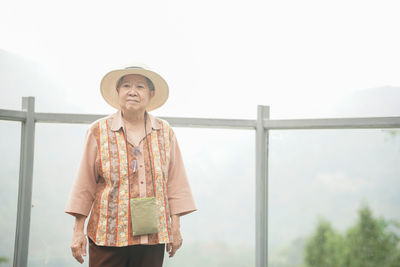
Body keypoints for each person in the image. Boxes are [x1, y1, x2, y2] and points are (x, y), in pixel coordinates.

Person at [65, 66, 196, 267]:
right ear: (118, 92)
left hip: (152, 236)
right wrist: (77, 231)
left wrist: (175, 227)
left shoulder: (165, 132)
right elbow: (85, 184)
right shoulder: (98, 131)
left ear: (151, 94)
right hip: (107, 235)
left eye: (140, 87)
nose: (132, 91)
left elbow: (175, 182)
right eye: (126, 85)